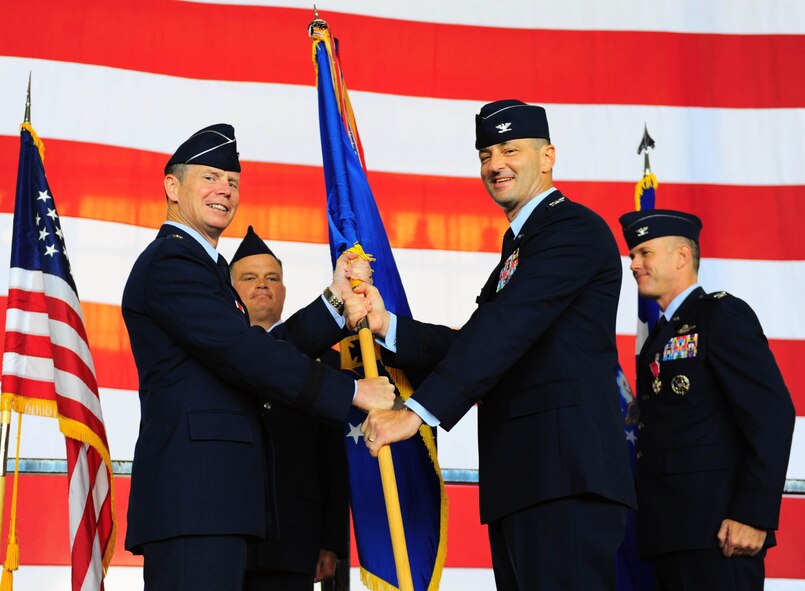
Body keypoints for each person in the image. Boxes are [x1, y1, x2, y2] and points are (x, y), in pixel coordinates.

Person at [354, 100, 636, 590]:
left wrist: (415, 412)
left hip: (564, 478)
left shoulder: (573, 230)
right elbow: (483, 341)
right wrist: (388, 327)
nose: (495, 164)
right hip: (525, 480)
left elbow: (504, 331)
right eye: (486, 153)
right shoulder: (521, 247)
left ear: (547, 157)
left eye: (510, 150)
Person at [122, 123, 394, 590]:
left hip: (216, 503)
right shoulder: (173, 262)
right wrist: (351, 390)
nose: (224, 190)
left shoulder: (203, 267)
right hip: (195, 503)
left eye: (232, 183)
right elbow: (245, 353)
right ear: (172, 186)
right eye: (209, 177)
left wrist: (334, 300)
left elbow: (254, 349)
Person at [619, 209, 795, 590]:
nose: (633, 263)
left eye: (644, 252)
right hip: (669, 535)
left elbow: (772, 413)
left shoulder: (722, 315)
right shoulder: (659, 339)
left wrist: (753, 514)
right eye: (632, 254)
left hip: (720, 536)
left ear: (682, 255)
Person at [229, 226, 350, 591]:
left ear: (284, 291)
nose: (262, 285)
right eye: (249, 277)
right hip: (226, 535)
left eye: (272, 278)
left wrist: (332, 541)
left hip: (296, 539)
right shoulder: (211, 355)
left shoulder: (323, 363)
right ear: (228, 291)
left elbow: (333, 459)